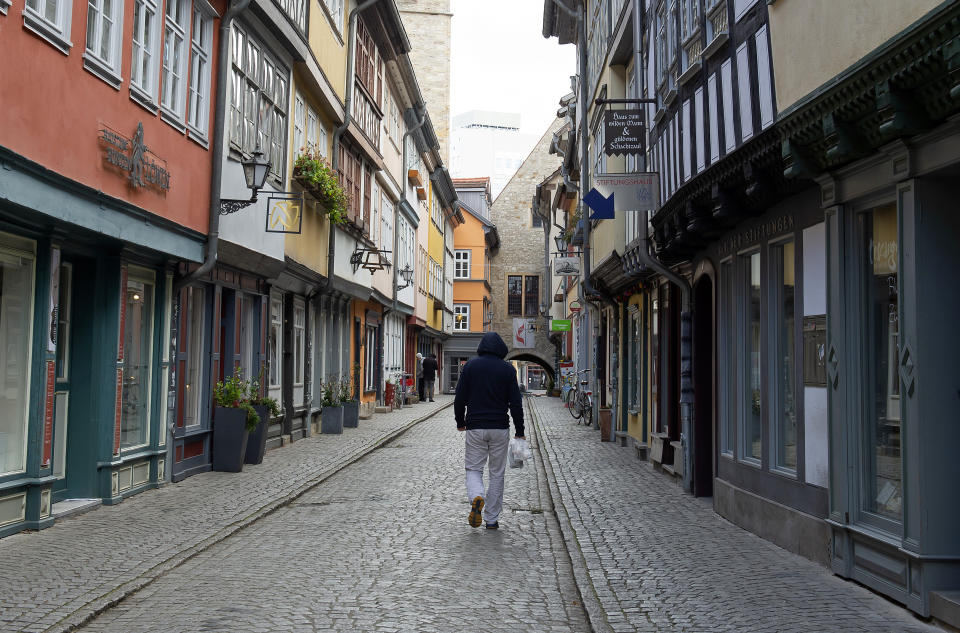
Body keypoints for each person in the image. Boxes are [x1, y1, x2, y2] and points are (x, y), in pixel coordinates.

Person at [455, 332, 524, 530]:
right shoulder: (508, 370)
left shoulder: (470, 367)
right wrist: (520, 430)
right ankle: (492, 519)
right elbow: (516, 403)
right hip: (500, 428)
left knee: (474, 468)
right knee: (496, 473)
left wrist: (460, 421)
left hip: (475, 427)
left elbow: (460, 398)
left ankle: (477, 496)